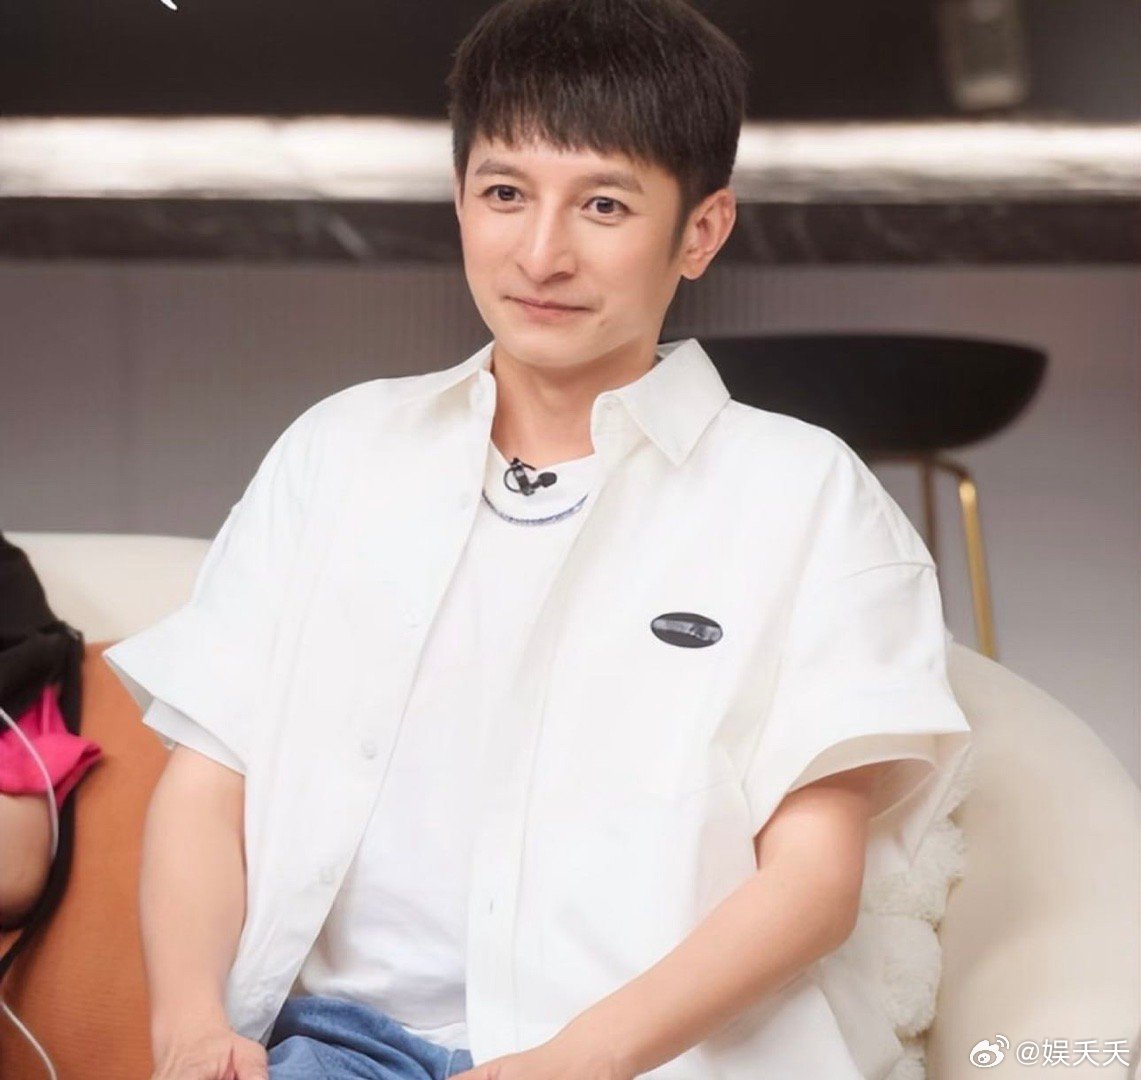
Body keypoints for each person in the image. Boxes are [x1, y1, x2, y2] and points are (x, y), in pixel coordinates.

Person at [103, 1, 972, 1078]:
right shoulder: (339, 452)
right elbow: (210, 779)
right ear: (460, 198)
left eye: (603, 204)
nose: (540, 253)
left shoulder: (806, 498)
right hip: (338, 1051)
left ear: (700, 231)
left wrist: (576, 1061)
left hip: (648, 1065)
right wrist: (191, 1026)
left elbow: (813, 883)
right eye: (505, 194)